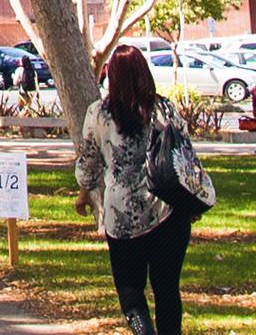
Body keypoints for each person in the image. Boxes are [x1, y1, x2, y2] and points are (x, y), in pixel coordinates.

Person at [76, 45, 199, 335]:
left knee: (130, 293)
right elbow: (186, 156)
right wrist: (192, 203)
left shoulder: (99, 114)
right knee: (168, 289)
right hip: (168, 210)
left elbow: (88, 161)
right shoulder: (164, 109)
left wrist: (83, 195)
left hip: (121, 218)